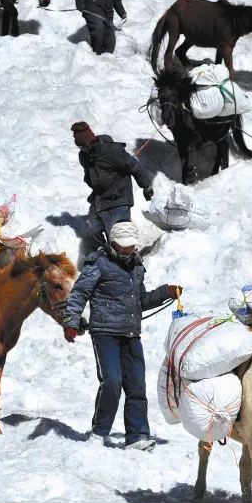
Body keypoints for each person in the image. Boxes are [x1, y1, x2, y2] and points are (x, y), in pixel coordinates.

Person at [64, 222, 181, 450]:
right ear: (113, 243)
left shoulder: (137, 266)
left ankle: (137, 436)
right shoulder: (99, 263)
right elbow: (79, 293)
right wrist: (71, 322)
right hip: (104, 332)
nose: (127, 250)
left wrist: (164, 292)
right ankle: (99, 432)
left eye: (131, 246)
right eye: (123, 246)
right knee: (112, 382)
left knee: (137, 386)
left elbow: (140, 301)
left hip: (130, 333)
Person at [72, 121, 154, 249]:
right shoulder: (84, 156)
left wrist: (146, 186)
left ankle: (126, 259)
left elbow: (134, 166)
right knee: (93, 231)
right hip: (99, 199)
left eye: (85, 145)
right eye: (80, 147)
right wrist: (89, 179)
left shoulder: (111, 151)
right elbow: (89, 174)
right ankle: (106, 254)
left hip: (118, 198)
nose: (84, 149)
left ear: (92, 141)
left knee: (118, 236)